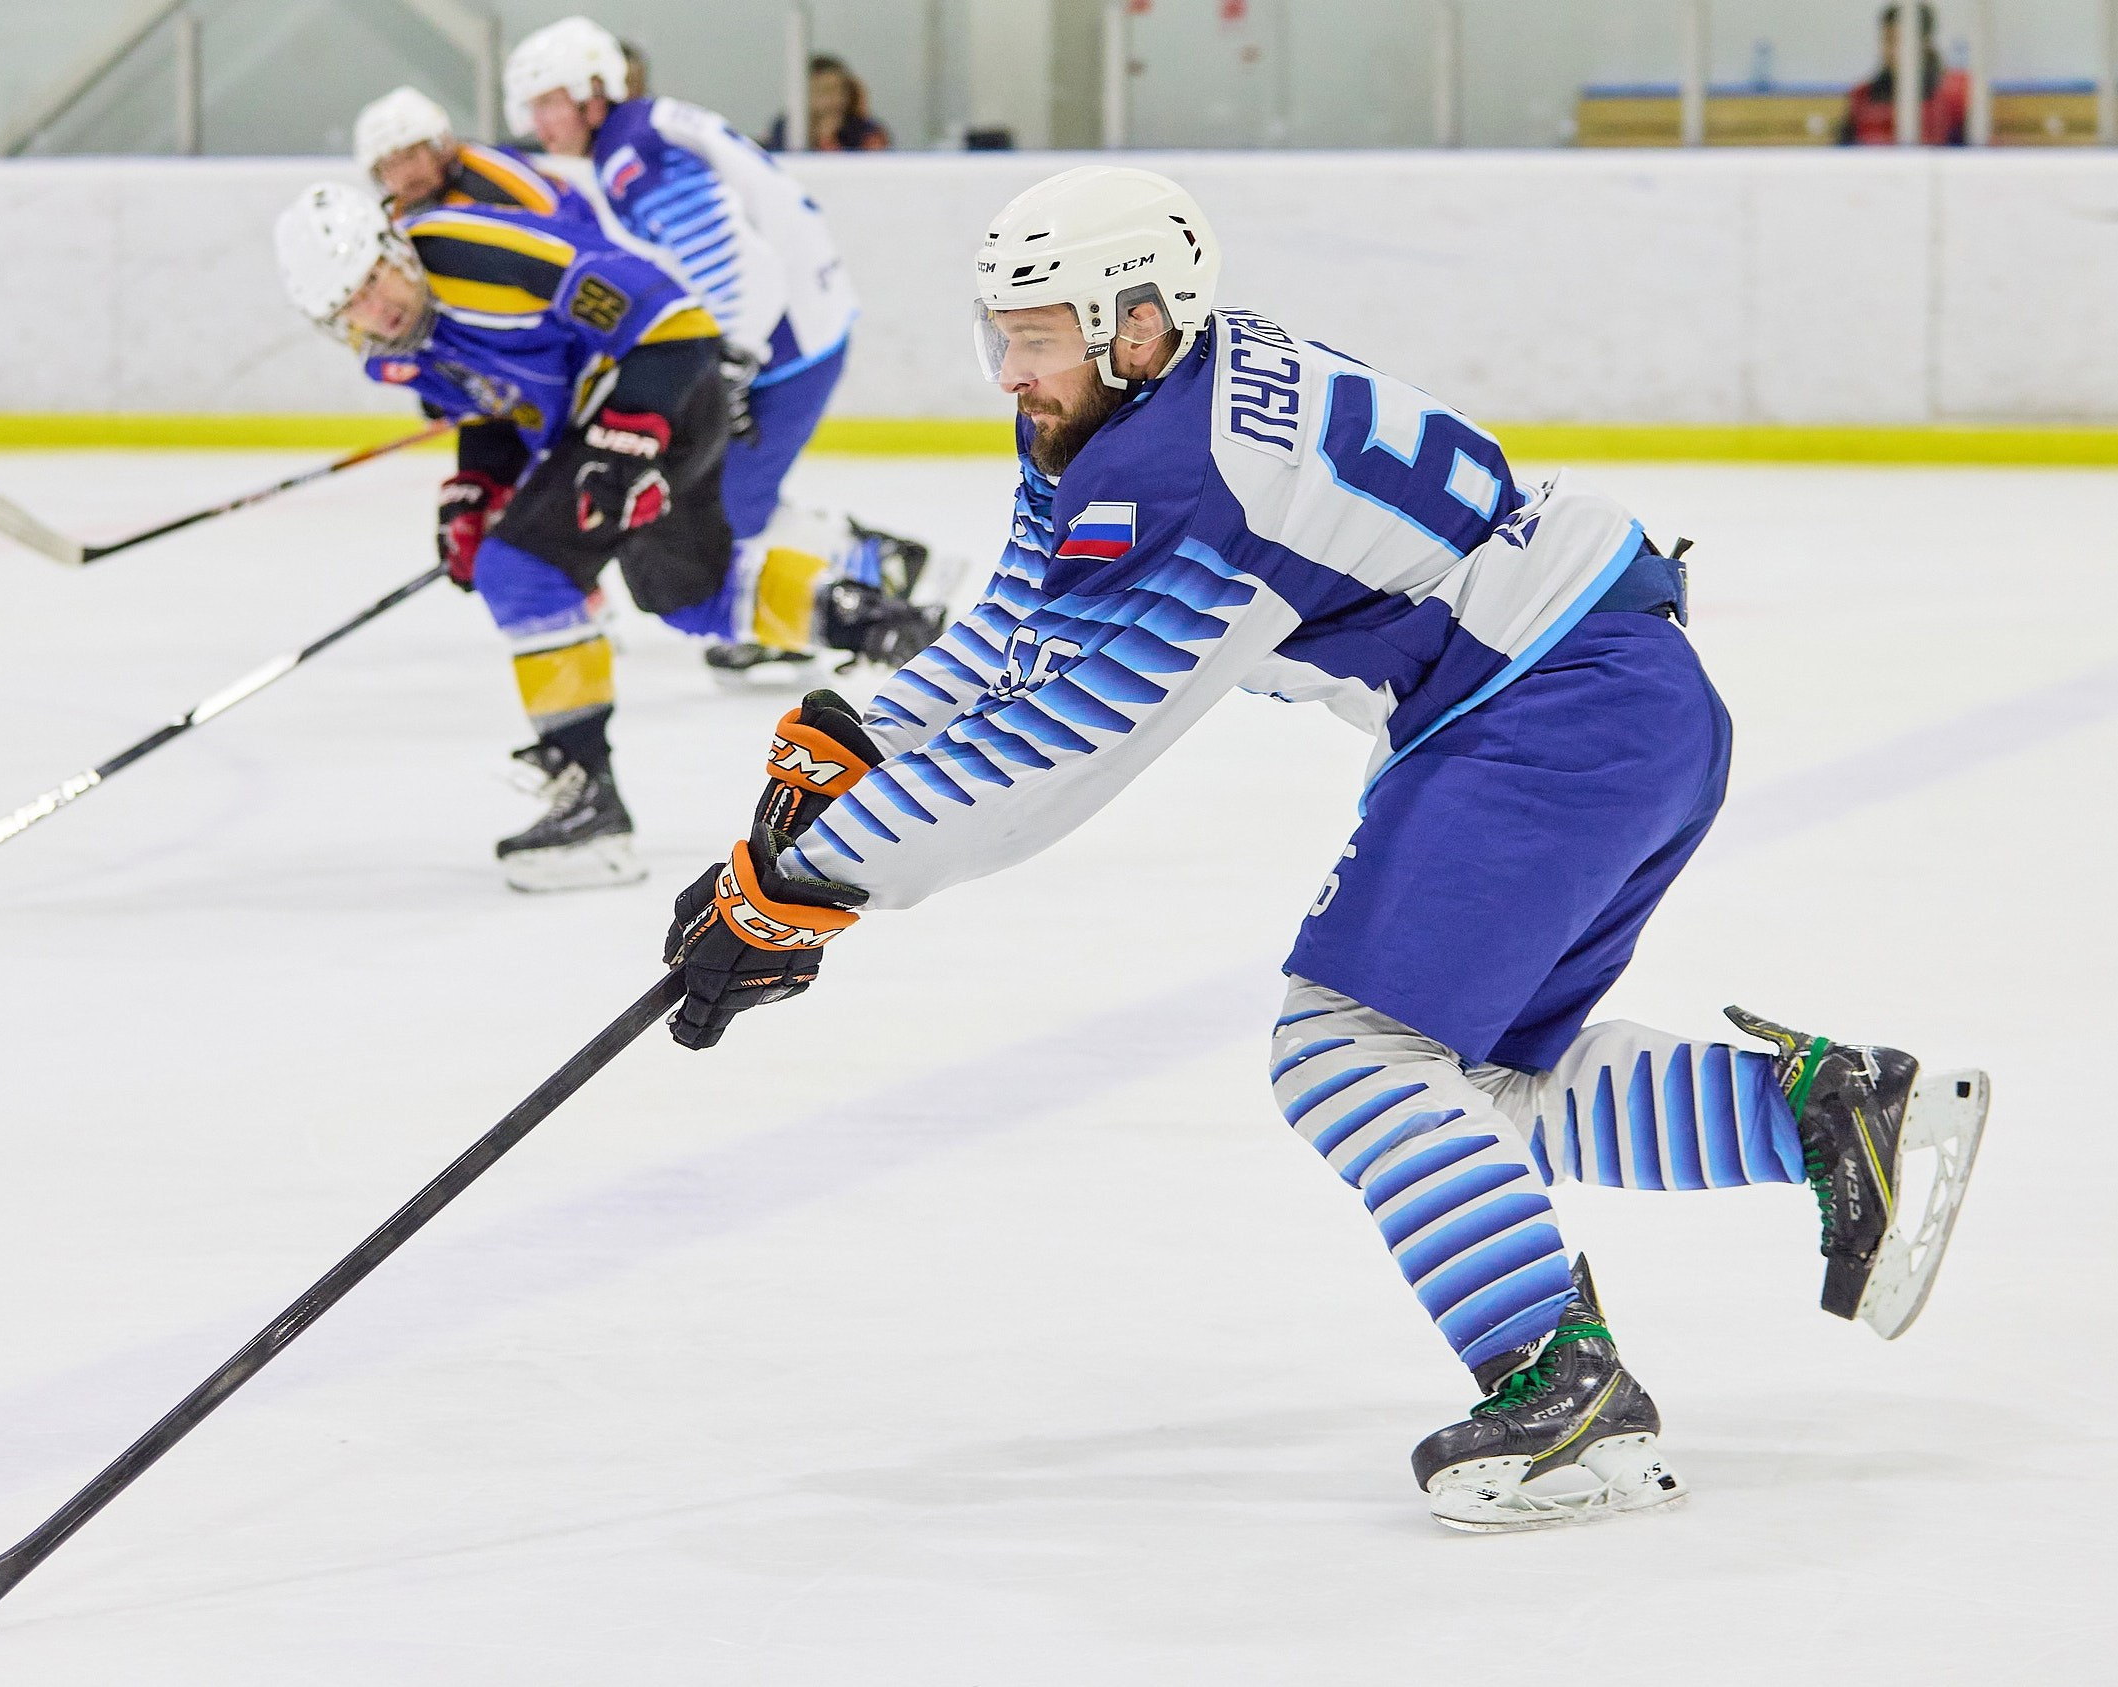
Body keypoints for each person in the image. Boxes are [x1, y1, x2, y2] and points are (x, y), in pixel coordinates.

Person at [653, 165, 1992, 1531]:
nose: (1011, 372)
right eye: (1001, 333)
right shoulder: (1141, 400)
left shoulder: (1185, 476)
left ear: (1136, 322)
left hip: (1550, 714)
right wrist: (864, 736)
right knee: (1466, 1083)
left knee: (1345, 1054)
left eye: (1038, 337)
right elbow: (1022, 620)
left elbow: (1054, 749)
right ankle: (1823, 1116)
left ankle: (1565, 1391)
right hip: (1600, 694)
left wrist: (805, 886)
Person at [274, 184, 937, 892]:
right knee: (691, 595)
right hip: (610, 424)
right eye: (350, 304)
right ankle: (883, 626)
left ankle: (587, 802)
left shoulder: (477, 254)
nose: (376, 307)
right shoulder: (395, 346)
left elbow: (675, 322)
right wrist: (475, 488)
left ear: (394, 247)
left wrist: (631, 435)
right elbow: (496, 409)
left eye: (375, 279)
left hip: (666, 391)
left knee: (521, 569)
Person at [503, 17, 942, 678]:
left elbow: (736, 262)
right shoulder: (640, 132)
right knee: (724, 499)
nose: (536, 122)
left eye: (548, 102)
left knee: (723, 509)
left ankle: (862, 571)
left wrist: (731, 361)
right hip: (795, 328)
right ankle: (866, 562)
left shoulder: (630, 155)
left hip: (785, 342)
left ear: (592, 92)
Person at [351, 86, 568, 220]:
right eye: (390, 166)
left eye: (411, 156)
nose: (406, 173)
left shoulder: (492, 174)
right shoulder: (394, 220)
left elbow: (565, 217)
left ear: (439, 148)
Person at [1837, 3, 1969, 145]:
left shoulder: (1955, 96)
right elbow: (1844, 152)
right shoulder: (1862, 97)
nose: (1891, 51)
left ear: (1925, 43)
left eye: (1900, 41)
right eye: (1888, 40)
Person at [766, 56, 894, 152]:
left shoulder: (864, 129)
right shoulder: (788, 128)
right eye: (826, 90)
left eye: (841, 90)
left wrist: (829, 140)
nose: (836, 98)